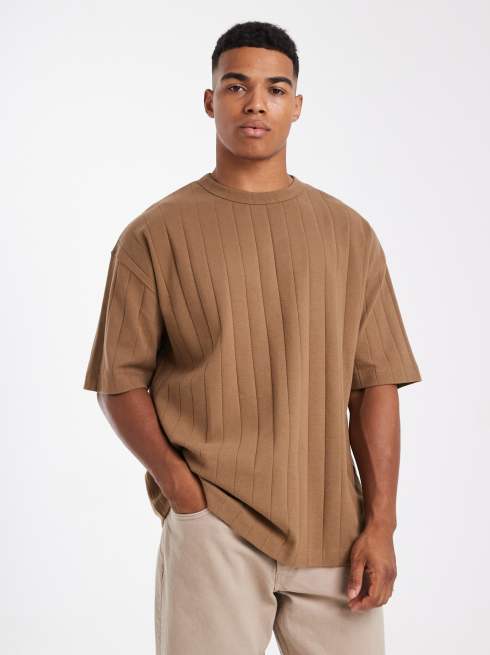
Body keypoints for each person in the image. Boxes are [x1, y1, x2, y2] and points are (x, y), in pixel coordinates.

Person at [83, 20, 422, 655]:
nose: (256, 103)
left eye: (275, 88)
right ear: (210, 101)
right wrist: (182, 491)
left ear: (297, 105)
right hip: (215, 523)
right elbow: (118, 380)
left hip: (335, 531)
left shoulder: (349, 235)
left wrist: (381, 525)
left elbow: (375, 384)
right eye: (236, 86)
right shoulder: (154, 235)